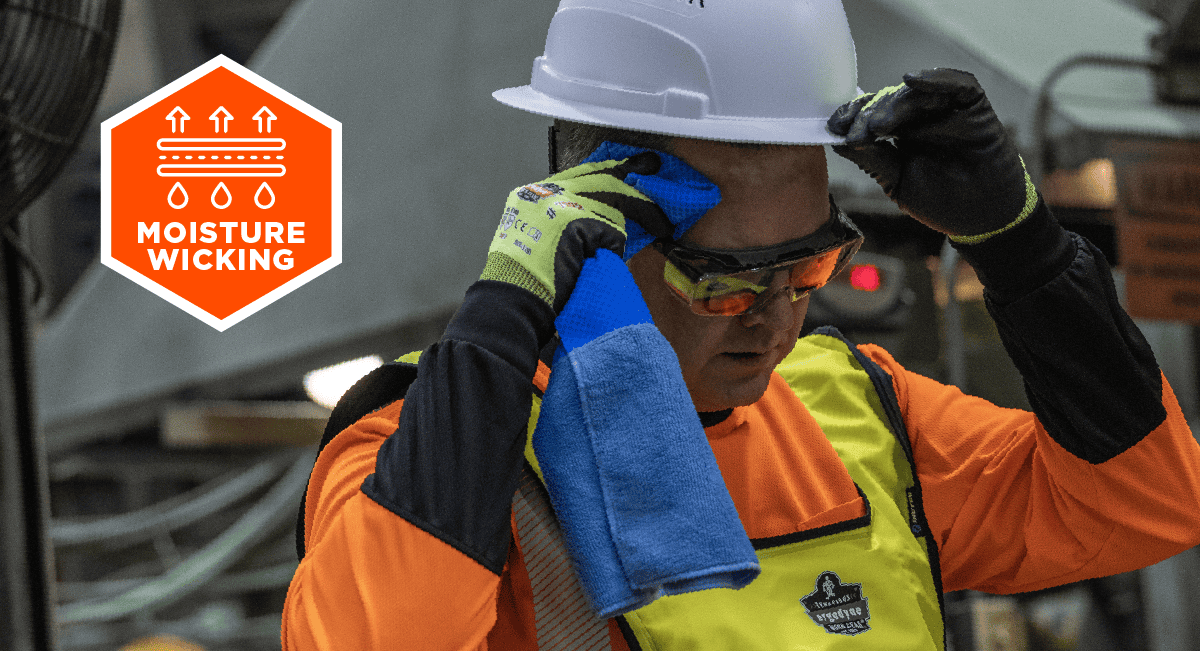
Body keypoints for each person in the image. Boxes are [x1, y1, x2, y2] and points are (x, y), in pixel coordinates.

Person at [281, 1, 1200, 649]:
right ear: (592, 235)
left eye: (807, 269)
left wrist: (1024, 249)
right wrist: (499, 323)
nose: (776, 322)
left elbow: (1145, 504)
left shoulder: (863, 414)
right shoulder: (429, 449)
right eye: (725, 281)